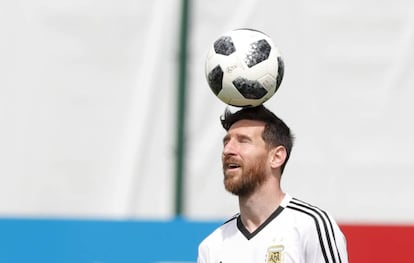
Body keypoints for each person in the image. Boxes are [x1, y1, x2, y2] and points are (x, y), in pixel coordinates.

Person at [197, 105, 348, 263]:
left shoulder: (311, 227)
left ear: (276, 157)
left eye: (243, 141)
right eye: (226, 142)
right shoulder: (212, 247)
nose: (227, 150)